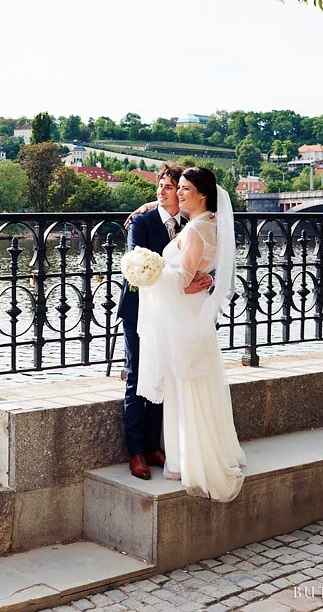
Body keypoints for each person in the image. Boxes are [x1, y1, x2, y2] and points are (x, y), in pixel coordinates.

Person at [137, 167, 245, 501]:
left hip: (184, 316)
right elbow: (193, 276)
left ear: (202, 194)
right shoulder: (209, 223)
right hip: (192, 313)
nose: (179, 194)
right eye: (177, 188)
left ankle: (186, 462)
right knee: (198, 384)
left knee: (185, 387)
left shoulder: (197, 231)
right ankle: (194, 454)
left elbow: (183, 280)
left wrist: (148, 274)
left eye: (185, 189)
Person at [116, 163, 212, 481]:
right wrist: (183, 283)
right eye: (161, 184)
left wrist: (203, 279)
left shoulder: (189, 223)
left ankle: (153, 446)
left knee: (165, 376)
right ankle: (136, 453)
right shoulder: (141, 222)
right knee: (137, 377)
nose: (163, 190)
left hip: (170, 313)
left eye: (171, 186)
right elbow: (135, 269)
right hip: (138, 312)